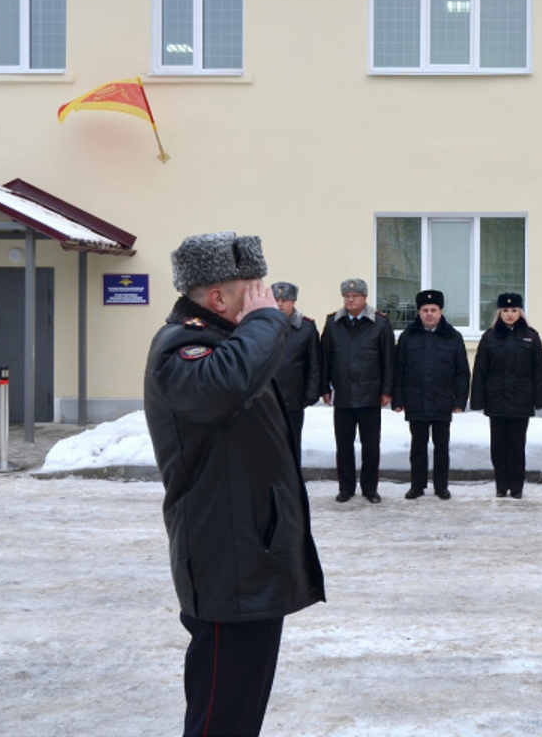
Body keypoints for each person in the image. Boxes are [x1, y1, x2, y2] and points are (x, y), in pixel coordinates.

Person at [143, 232, 325, 737]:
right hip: (228, 560)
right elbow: (226, 383)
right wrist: (267, 321)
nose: (266, 300)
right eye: (254, 289)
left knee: (240, 708)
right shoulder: (182, 346)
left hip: (250, 551)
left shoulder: (223, 341)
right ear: (218, 298)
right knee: (221, 716)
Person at [320, 278, 395, 504]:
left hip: (370, 395)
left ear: (365, 298)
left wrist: (387, 390)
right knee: (343, 445)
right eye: (347, 296)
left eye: (355, 296)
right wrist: (325, 387)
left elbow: (388, 360)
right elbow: (326, 358)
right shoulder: (334, 323)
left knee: (370, 445)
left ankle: (370, 488)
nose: (350, 300)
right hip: (343, 395)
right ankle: (346, 488)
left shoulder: (380, 324)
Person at [391, 289, 471, 500]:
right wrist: (398, 399)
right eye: (425, 310)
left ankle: (441, 486)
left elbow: (462, 373)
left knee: (441, 447)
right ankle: (417, 486)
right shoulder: (408, 337)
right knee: (417, 447)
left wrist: (460, 401)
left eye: (433, 310)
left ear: (441, 311)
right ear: (419, 312)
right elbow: (399, 370)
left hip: (443, 401)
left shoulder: (453, 337)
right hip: (415, 400)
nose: (429, 314)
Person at [470, 292, 542, 499]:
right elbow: (480, 370)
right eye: (506, 310)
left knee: (516, 445)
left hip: (522, 400)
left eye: (514, 310)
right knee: (498, 446)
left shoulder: (531, 337)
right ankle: (501, 486)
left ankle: (517, 487)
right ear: (499, 312)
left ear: (520, 312)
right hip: (496, 400)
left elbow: (540, 370)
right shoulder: (489, 337)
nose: (510, 315)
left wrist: (540, 399)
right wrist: (477, 399)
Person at [271, 281, 321, 462]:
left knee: (292, 443)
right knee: (268, 444)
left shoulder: (305, 328)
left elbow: (314, 364)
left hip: (293, 397)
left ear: (293, 301)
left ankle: (292, 484)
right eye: (276, 299)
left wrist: (310, 395)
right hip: (266, 398)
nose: (279, 304)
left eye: (284, 300)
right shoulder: (262, 327)